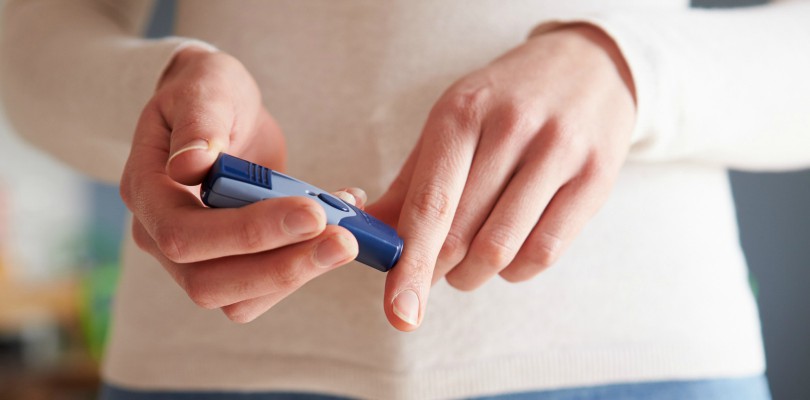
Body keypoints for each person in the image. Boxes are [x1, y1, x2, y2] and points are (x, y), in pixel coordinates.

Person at [2, 0, 809, 399]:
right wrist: (155, 96)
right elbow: (31, 35)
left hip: (642, 367)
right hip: (208, 368)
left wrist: (627, 68)